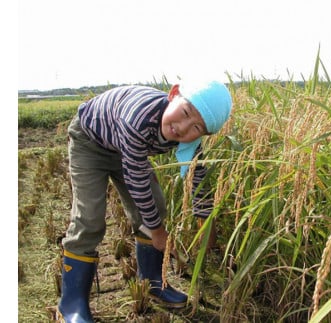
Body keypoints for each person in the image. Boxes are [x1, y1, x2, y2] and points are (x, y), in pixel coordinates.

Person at [57, 80, 232, 322]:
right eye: (184, 113)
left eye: (196, 128)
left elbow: (198, 179)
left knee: (156, 208)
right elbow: (136, 181)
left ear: (204, 134)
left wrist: (206, 224)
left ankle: (152, 282)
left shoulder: (189, 139)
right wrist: (158, 233)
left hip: (126, 151)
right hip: (90, 143)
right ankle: (72, 303)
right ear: (173, 94)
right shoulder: (139, 118)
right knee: (90, 219)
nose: (183, 128)